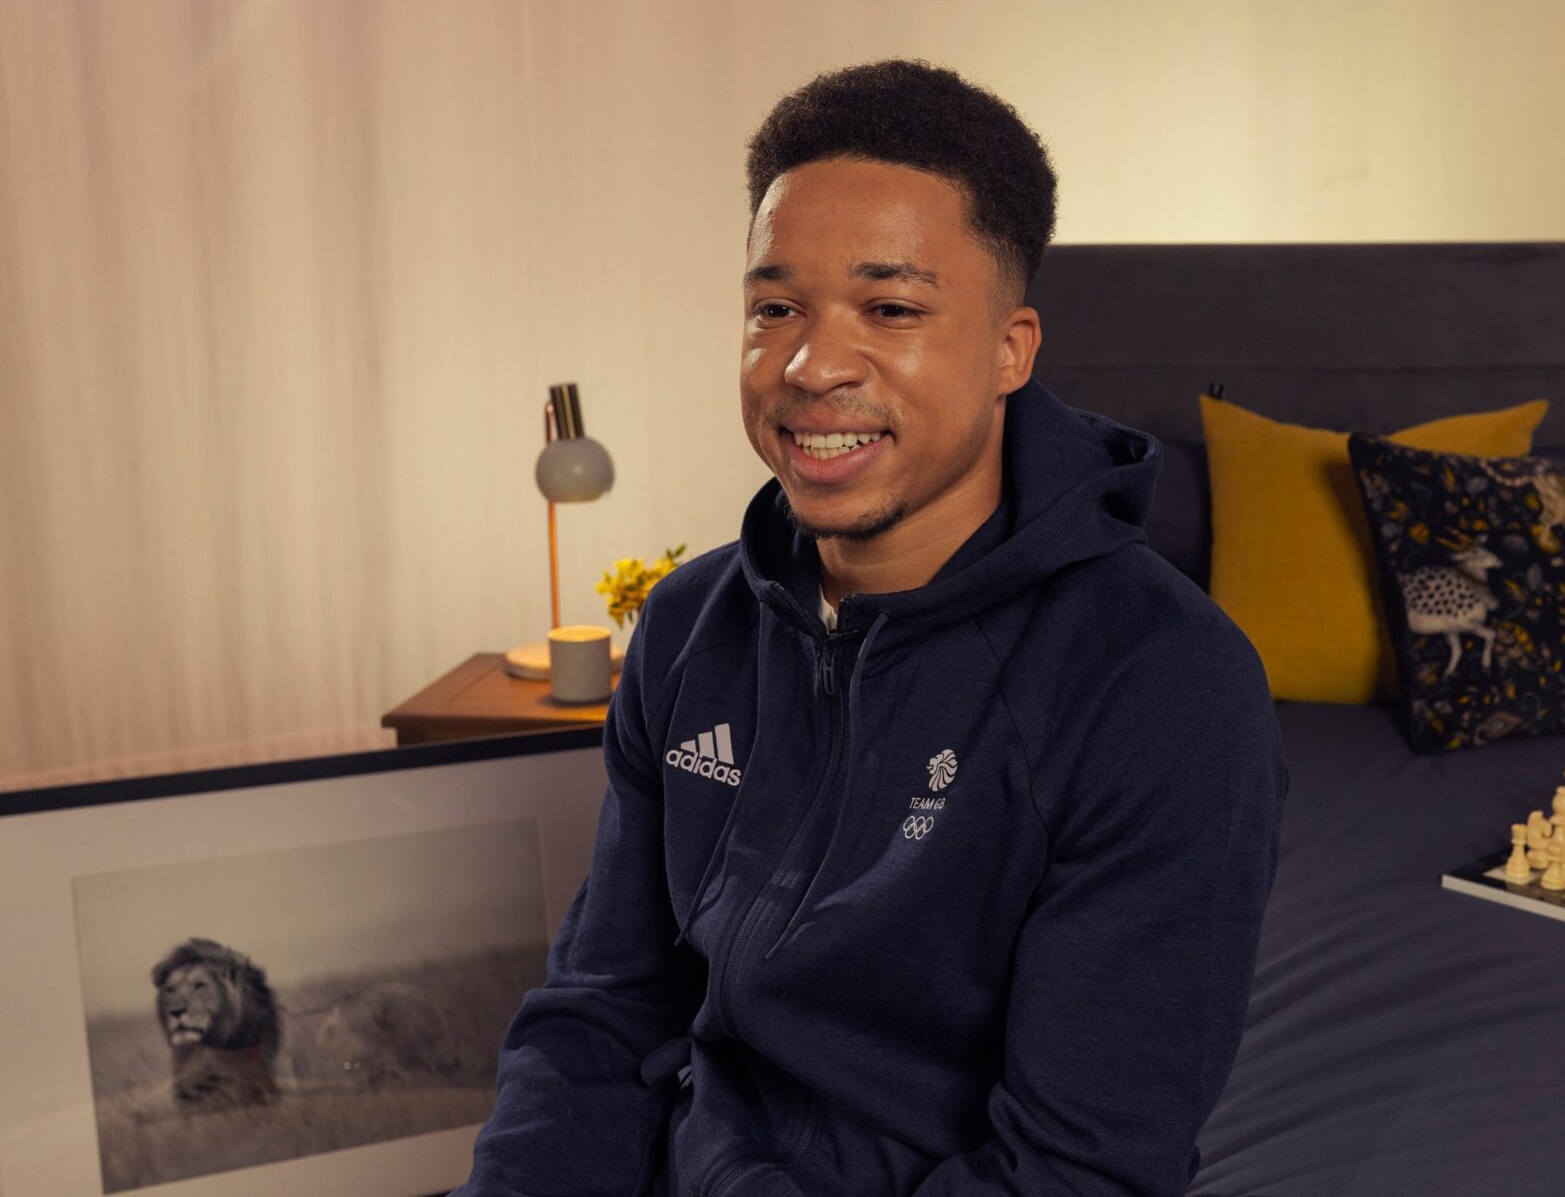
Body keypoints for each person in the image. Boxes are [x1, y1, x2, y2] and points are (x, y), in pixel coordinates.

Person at [456, 59, 1285, 1197]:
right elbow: (602, 1014)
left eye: (890, 309)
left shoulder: (1160, 685)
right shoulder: (691, 627)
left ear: (1011, 349)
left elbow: (1078, 1171)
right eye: (775, 308)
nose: (810, 365)